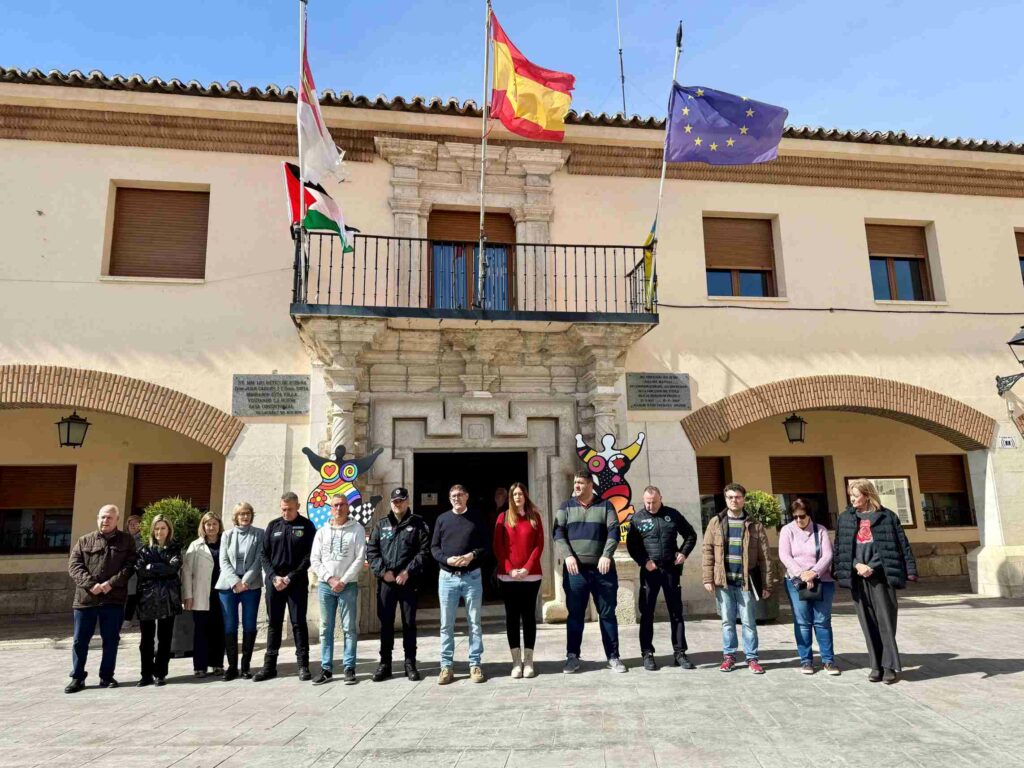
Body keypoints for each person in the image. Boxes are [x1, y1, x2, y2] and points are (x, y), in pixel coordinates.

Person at [834, 479, 918, 684]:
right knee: (868, 623)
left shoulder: (887, 517)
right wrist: (856, 565)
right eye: (850, 495)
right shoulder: (845, 518)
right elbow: (841, 549)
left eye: (856, 495)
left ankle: (889, 666)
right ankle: (876, 666)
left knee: (886, 621)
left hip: (881, 577)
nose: (852, 499)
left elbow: (899, 546)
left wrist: (873, 566)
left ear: (867, 495)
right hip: (858, 577)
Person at [552, 471, 625, 674]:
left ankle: (613, 657)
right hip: (575, 572)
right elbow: (557, 532)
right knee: (575, 615)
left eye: (581, 483)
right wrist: (568, 556)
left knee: (607, 614)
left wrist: (606, 555)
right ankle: (572, 657)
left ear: (590, 485)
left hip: (603, 571)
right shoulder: (565, 507)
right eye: (575, 482)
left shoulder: (606, 506)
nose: (576, 486)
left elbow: (614, 531)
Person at [701, 483, 775, 675]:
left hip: (746, 583)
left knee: (749, 622)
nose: (734, 500)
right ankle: (729, 657)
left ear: (744, 499)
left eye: (738, 497)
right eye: (730, 497)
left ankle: (752, 658)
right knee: (727, 622)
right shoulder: (715, 522)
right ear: (726, 499)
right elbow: (707, 551)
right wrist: (707, 578)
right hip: (724, 582)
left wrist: (767, 584)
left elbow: (765, 557)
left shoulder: (755, 525)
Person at [66, 504, 137, 693]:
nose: (105, 520)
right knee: (80, 641)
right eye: (102, 517)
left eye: (109, 517)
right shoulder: (84, 540)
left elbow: (130, 566)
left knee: (111, 640)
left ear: (117, 520)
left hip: (113, 599)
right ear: (98, 518)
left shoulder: (127, 541)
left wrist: (111, 583)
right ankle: (77, 677)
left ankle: (106, 676)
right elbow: (74, 566)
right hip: (85, 600)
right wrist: (91, 584)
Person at [625, 485, 698, 671]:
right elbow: (632, 545)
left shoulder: (672, 515)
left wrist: (683, 553)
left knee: (676, 612)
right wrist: (644, 561)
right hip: (650, 572)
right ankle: (647, 653)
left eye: (654, 502)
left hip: (670, 570)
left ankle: (680, 652)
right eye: (647, 502)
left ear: (661, 499)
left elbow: (691, 535)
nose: (650, 506)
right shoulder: (637, 518)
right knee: (647, 613)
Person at [366, 487, 431, 682]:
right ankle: (385, 664)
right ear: (391, 503)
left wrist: (408, 571)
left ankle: (410, 663)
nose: (398, 504)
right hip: (387, 582)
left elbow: (424, 552)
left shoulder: (418, 524)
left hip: (408, 581)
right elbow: (372, 551)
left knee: (409, 623)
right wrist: (382, 572)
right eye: (395, 501)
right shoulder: (381, 525)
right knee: (386, 623)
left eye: (401, 500)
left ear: (407, 501)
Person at [254, 491, 317, 682]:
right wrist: (273, 577)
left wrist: (290, 577)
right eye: (283, 509)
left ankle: (303, 666)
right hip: (274, 583)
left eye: (289, 509)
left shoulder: (307, 526)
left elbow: (310, 555)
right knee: (273, 624)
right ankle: (269, 667)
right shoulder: (273, 525)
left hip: (296, 582)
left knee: (298, 623)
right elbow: (263, 554)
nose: (286, 513)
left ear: (298, 507)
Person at [431, 483, 489, 685]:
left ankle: (475, 664)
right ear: (450, 499)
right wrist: (447, 559)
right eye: (453, 496)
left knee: (475, 623)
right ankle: (446, 666)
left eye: (460, 495)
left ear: (467, 496)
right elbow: (434, 548)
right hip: (447, 577)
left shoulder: (477, 518)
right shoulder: (442, 519)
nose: (457, 498)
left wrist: (472, 555)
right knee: (446, 624)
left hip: (472, 577)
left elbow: (486, 545)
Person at [310, 494, 367, 686]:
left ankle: (349, 667)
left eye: (342, 504)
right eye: (335, 505)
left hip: (348, 586)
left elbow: (359, 558)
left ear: (348, 507)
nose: (339, 508)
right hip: (326, 586)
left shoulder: (357, 529)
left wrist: (342, 580)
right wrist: (330, 578)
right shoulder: (322, 532)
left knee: (349, 628)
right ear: (330, 508)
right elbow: (315, 559)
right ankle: (326, 668)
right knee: (326, 627)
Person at [778, 498, 839, 676]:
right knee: (802, 621)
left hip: (823, 581)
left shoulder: (821, 530)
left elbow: (828, 555)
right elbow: (784, 555)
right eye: (795, 516)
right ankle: (806, 660)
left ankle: (828, 660)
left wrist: (814, 573)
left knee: (822, 621)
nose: (798, 520)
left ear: (809, 514)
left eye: (802, 516)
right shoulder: (787, 530)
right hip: (796, 582)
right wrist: (802, 574)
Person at [493, 482, 544, 679]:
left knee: (529, 616)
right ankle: (516, 662)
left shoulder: (535, 517)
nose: (517, 497)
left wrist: (527, 568)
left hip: (531, 576)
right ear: (510, 497)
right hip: (508, 577)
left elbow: (539, 545)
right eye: (514, 494)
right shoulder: (503, 517)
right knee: (512, 617)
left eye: (520, 494)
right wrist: (510, 569)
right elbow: (498, 546)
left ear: (525, 496)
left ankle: (529, 661)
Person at [215, 502, 266, 680]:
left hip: (250, 585)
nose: (245, 517)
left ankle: (245, 666)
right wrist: (235, 582)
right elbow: (223, 561)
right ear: (235, 517)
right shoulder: (227, 535)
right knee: (230, 625)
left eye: (247, 513)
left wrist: (245, 581)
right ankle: (231, 667)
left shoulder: (259, 534)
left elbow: (259, 560)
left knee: (249, 625)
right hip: (228, 586)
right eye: (241, 514)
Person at [136, 514, 183, 687]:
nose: (159, 532)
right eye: (156, 528)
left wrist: (152, 567)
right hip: (146, 598)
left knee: (165, 638)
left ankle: (160, 673)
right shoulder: (144, 550)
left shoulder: (174, 549)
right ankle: (146, 674)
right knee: (146, 640)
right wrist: (159, 568)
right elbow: (140, 570)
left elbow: (173, 568)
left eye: (163, 528)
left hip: (168, 598)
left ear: (169, 530)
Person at [182, 512, 225, 678]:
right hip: (201, 594)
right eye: (208, 524)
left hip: (221, 593)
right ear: (203, 526)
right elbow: (186, 572)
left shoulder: (226, 543)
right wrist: (188, 595)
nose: (211, 527)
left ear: (219, 525)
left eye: (214, 524)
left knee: (219, 629)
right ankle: (199, 666)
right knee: (201, 631)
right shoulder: (195, 545)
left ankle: (217, 664)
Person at [123, 513, 143, 624]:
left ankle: (128, 619)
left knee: (133, 596)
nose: (133, 525)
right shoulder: (124, 538)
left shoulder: (143, 539)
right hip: (124, 572)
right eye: (130, 523)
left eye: (136, 523)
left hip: (136, 573)